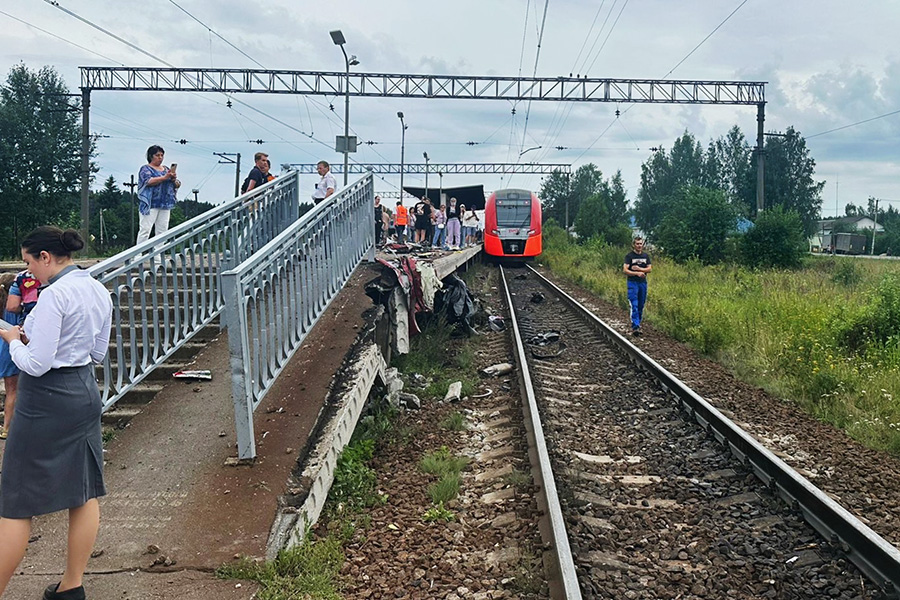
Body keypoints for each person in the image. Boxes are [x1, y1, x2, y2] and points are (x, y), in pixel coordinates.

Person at [0, 226, 113, 600]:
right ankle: (71, 586)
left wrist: (14, 340)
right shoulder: (97, 288)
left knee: (16, 501)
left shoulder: (53, 296)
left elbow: (35, 364)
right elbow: (97, 353)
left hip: (45, 401)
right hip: (82, 392)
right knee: (83, 491)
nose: (28, 270)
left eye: (29, 262)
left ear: (45, 257)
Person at [136, 145, 179, 244]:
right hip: (150, 203)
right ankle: (138, 255)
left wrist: (172, 179)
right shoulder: (145, 169)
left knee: (162, 230)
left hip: (165, 203)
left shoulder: (166, 169)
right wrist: (164, 177)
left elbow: (175, 184)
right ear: (151, 156)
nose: (160, 157)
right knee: (145, 229)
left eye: (162, 155)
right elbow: (148, 181)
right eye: (157, 155)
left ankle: (157, 255)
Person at [0, 274, 19, 441]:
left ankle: (6, 427)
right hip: (11, 348)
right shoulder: (15, 307)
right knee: (14, 391)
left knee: (9, 390)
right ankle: (8, 426)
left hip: (3, 350)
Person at [623, 236, 652, 336]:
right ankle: (635, 326)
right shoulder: (629, 256)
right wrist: (636, 273)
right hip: (632, 283)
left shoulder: (646, 256)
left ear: (643, 245)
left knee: (641, 304)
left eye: (640, 244)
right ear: (633, 245)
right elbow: (625, 270)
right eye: (637, 244)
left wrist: (639, 269)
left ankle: (638, 324)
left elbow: (649, 269)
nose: (639, 246)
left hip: (643, 283)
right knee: (634, 304)